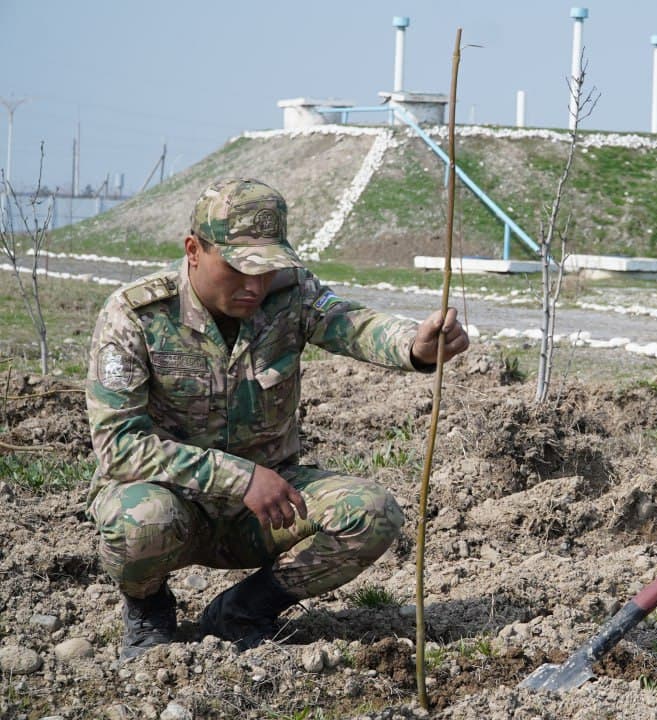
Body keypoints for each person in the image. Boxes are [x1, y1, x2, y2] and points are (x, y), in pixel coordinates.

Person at [85, 178, 470, 660]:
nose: (254, 286)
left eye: (266, 270)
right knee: (139, 521)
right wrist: (239, 476)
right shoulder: (136, 314)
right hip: (173, 503)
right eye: (239, 268)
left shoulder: (290, 296)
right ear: (193, 250)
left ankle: (243, 610)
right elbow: (120, 444)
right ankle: (148, 611)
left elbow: (352, 323)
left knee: (372, 513)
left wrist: (415, 344)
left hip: (266, 509)